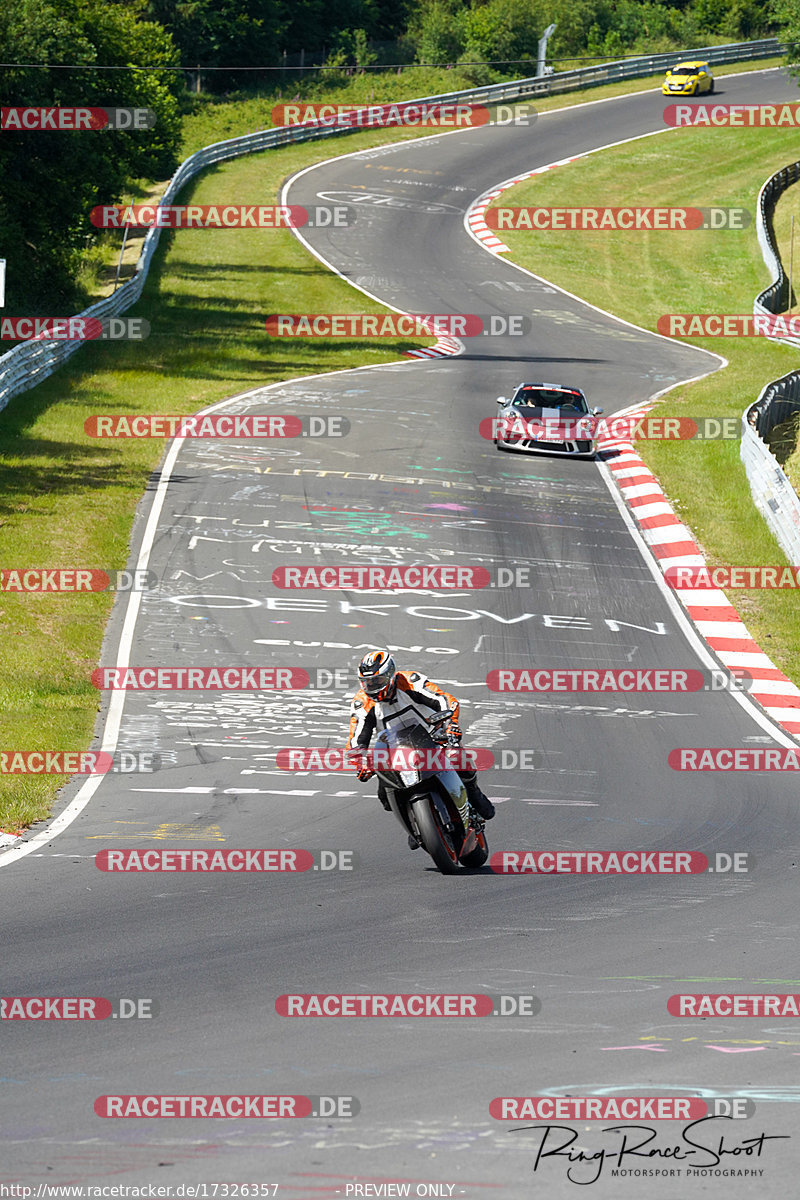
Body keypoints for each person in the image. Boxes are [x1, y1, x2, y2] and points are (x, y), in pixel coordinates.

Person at [346, 649, 495, 836]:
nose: (372, 687)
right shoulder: (362, 701)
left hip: (432, 737)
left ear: (391, 675)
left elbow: (444, 699)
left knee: (456, 755)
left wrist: (451, 724)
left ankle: (474, 792)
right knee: (384, 796)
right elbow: (357, 736)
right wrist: (359, 762)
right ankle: (415, 822)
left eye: (378, 681)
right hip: (397, 753)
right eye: (367, 683)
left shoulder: (410, 681)